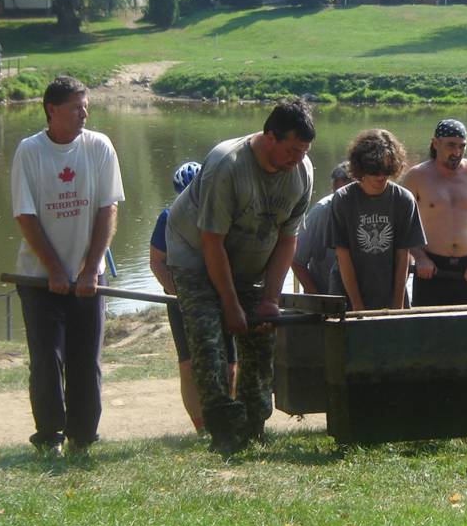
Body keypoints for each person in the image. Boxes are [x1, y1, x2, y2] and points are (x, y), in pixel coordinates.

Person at [166, 99, 315, 456]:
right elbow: (211, 241)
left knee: (261, 334)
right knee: (208, 337)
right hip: (196, 255)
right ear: (269, 137)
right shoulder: (227, 164)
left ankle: (254, 422)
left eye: (304, 150)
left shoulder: (302, 173)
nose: (297, 158)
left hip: (250, 257)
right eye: (292, 149)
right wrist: (231, 306)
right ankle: (222, 428)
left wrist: (270, 300)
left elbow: (288, 239)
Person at [11, 76, 124, 456]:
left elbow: (108, 209)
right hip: (38, 279)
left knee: (85, 359)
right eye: (76, 106)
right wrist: (56, 270)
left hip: (88, 277)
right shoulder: (30, 151)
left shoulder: (100, 147)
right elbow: (25, 216)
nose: (84, 112)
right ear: (51, 110)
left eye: (85, 105)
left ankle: (83, 436)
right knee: (46, 359)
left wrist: (90, 269)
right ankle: (50, 436)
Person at [149, 161, 237, 434]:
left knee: (230, 361)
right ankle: (201, 426)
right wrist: (179, 292)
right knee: (188, 364)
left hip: (219, 293)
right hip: (182, 299)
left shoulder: (222, 213)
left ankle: (227, 416)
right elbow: (157, 262)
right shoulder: (167, 217)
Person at [404, 119, 467, 306]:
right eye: (451, 145)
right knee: (431, 332)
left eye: (462, 146)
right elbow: (401, 225)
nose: (457, 152)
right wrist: (420, 257)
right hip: (431, 269)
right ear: (435, 143)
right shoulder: (416, 176)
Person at [328, 129, 426, 310]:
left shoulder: (404, 200)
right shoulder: (343, 199)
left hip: (390, 295)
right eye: (374, 170)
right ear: (361, 168)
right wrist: (357, 306)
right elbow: (343, 256)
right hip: (347, 297)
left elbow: (403, 255)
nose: (381, 176)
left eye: (387, 170)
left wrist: (397, 305)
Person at [292, 161, 353, 295]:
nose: (342, 201)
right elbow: (296, 260)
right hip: (326, 296)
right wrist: (315, 295)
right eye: (338, 195)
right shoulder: (320, 213)